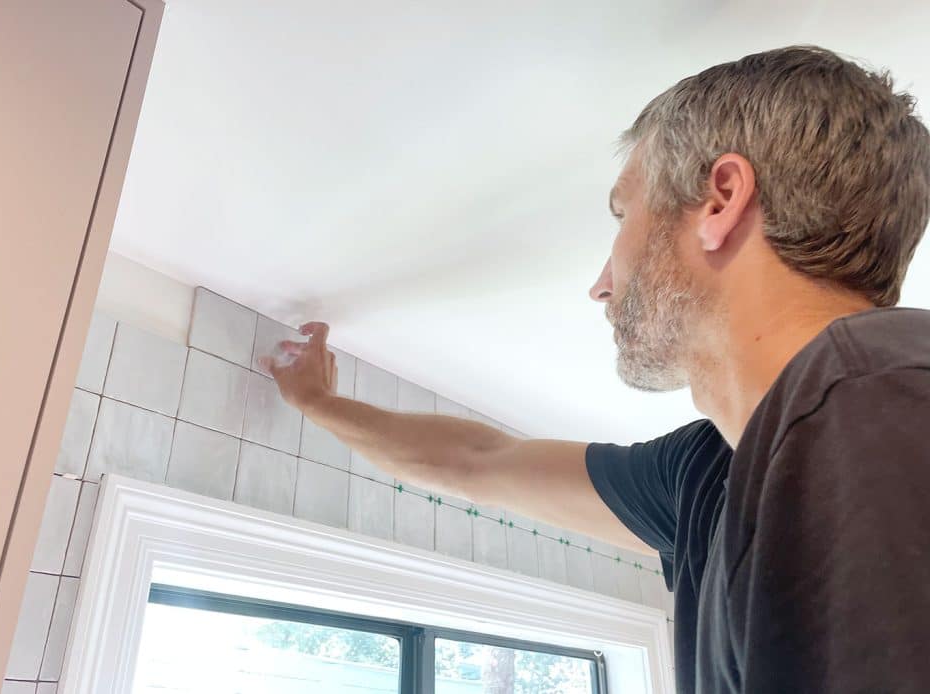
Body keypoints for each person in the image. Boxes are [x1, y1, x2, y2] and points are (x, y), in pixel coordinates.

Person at [260, 45, 930, 694]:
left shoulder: (881, 401)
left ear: (721, 200)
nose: (602, 285)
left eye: (623, 212)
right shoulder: (708, 475)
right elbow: (478, 459)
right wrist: (319, 403)